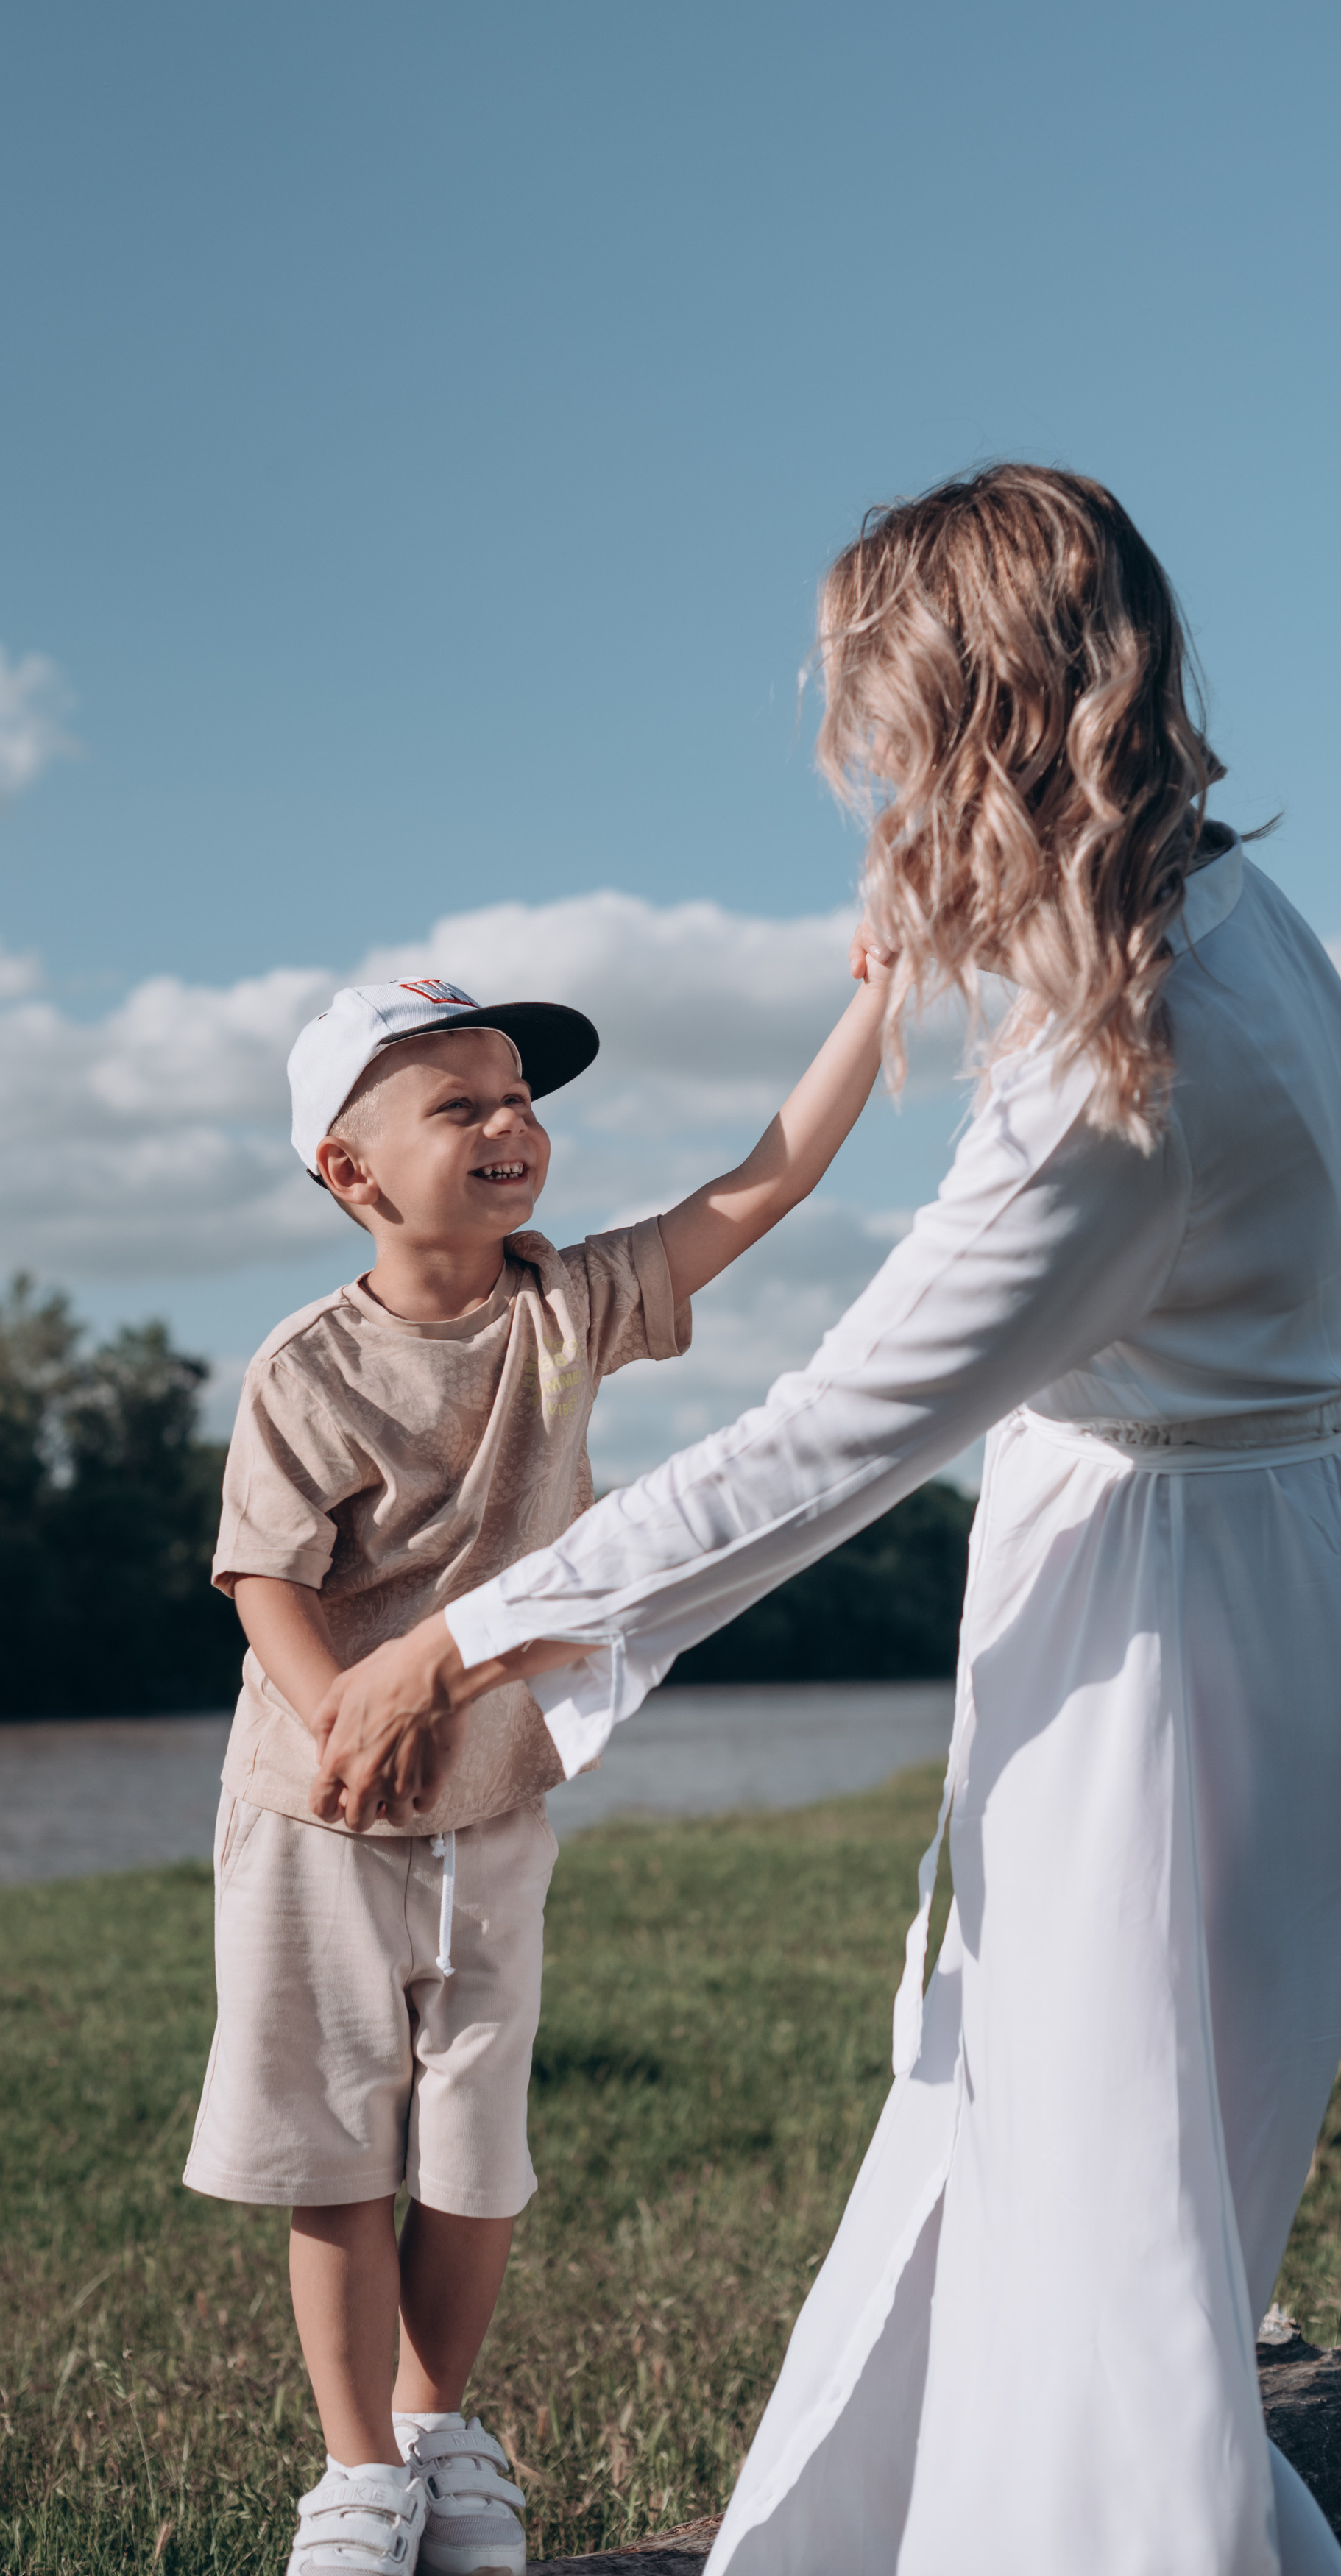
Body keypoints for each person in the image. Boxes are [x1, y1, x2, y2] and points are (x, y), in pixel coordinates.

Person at [311, 466, 1341, 2576]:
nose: (867, 775)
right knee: (1039, 2234)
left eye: (884, 725)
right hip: (1242, 1636)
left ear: (971, 710)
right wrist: (932, 950)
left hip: (1172, 1702)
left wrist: (465, 1636)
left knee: (1105, 2313)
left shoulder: (1125, 1080)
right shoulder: (1227, 923)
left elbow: (832, 1436)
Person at [185, 963, 894, 2576]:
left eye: (521, 1100)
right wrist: (337, 1723)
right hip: (322, 1818)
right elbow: (265, 1581)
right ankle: (354, 2469)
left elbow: (761, 1182)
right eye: (460, 1105)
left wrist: (880, 999)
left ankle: (438, 2430)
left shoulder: (565, 1307)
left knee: (475, 2154)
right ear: (348, 1171)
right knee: (334, 2157)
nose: (511, 1126)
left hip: (495, 1805)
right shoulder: (305, 1367)